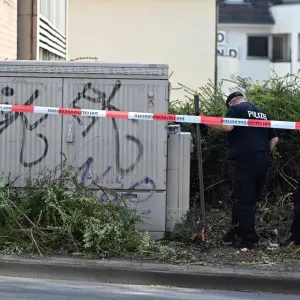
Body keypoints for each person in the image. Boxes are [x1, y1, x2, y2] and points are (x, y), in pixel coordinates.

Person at [206, 92, 279, 249]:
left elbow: (227, 126)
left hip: (245, 159)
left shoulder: (236, 109)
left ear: (231, 103)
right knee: (249, 199)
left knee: (244, 199)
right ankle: (235, 232)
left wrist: (204, 120)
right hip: (263, 159)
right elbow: (274, 139)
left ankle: (249, 239)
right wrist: (263, 153)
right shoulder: (261, 113)